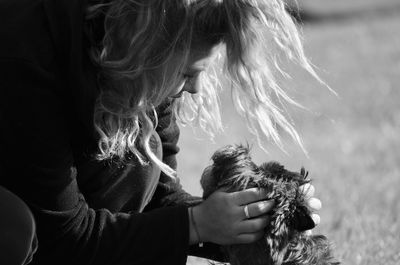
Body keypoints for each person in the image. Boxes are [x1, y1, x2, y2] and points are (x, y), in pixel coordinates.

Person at [0, 0, 322, 264]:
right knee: (14, 231)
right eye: (187, 72)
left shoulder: (144, 71)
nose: (196, 88)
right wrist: (197, 224)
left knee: (134, 172)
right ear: (149, 46)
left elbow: (158, 202)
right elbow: (61, 236)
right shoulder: (25, 53)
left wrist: (246, 221)